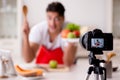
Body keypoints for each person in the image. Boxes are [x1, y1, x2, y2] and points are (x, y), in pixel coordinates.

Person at [22, 2, 77, 67]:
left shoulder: (70, 31)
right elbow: (28, 59)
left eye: (57, 19)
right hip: (42, 70)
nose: (52, 23)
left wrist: (70, 44)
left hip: (64, 69)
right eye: (49, 18)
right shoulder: (38, 29)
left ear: (63, 19)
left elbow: (68, 63)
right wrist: (26, 36)